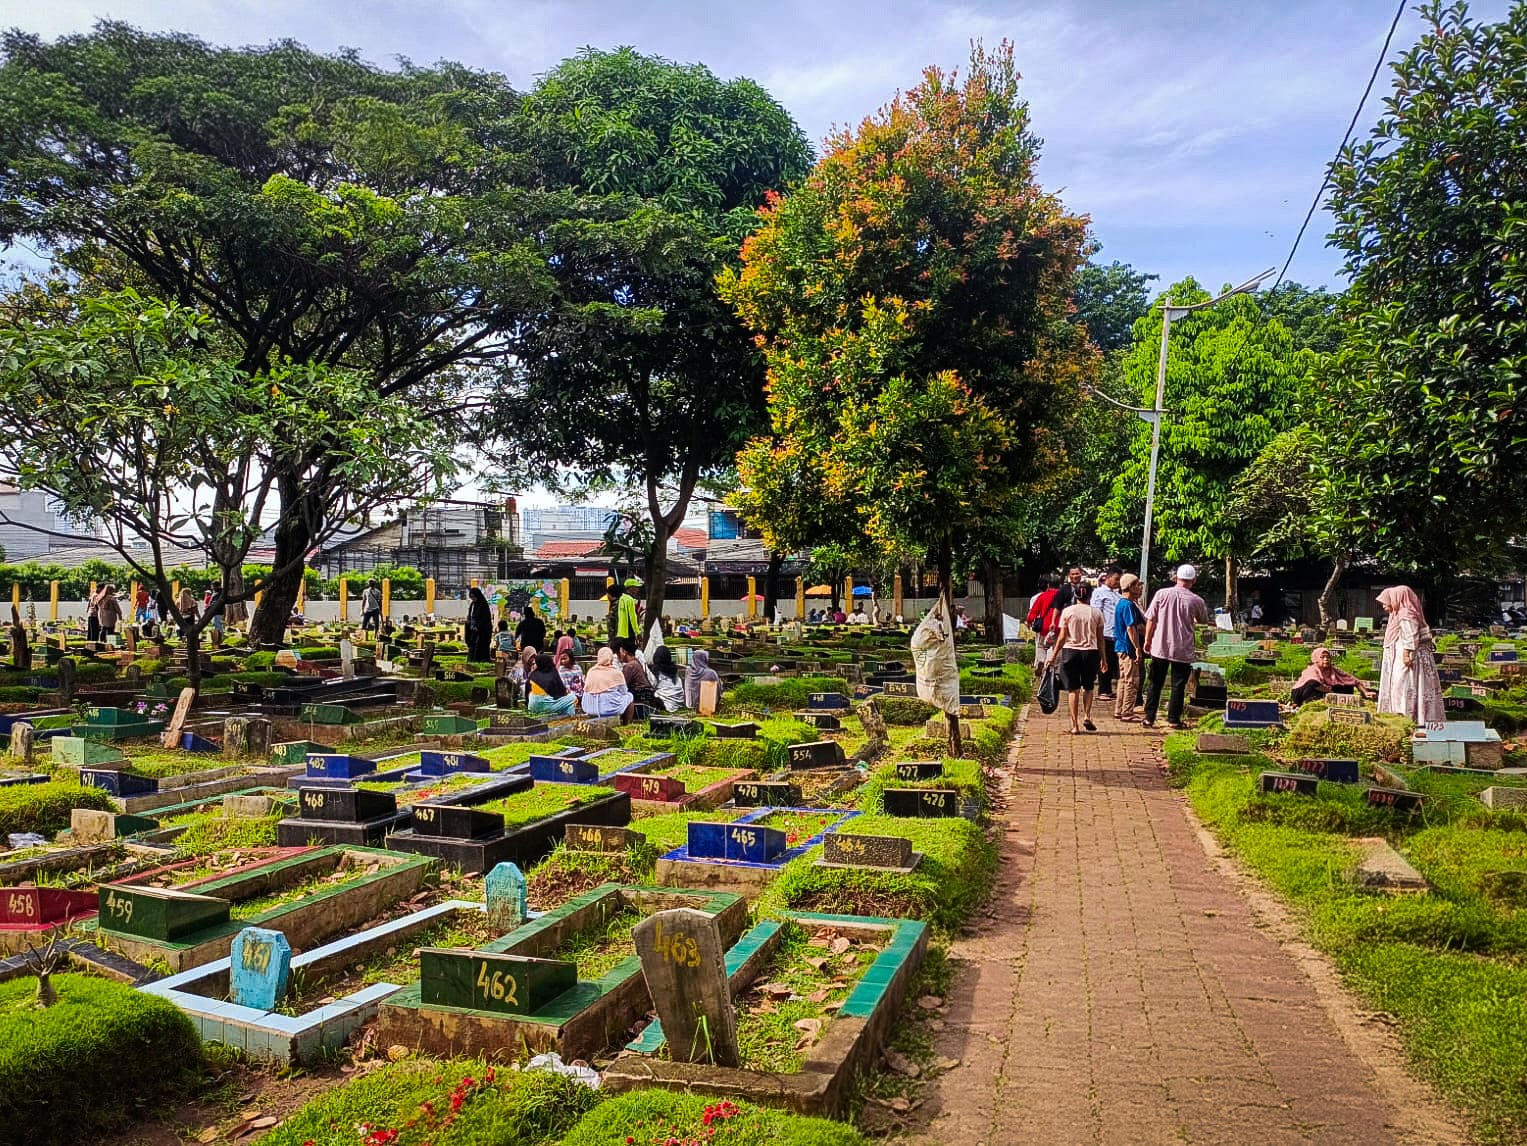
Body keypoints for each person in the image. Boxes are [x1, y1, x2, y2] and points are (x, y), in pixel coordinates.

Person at [1142, 565, 1209, 730]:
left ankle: (1149, 718)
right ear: (1193, 580)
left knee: (1155, 682)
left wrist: (1147, 640)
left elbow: (1151, 619)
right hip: (1182, 648)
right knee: (1178, 685)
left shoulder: (1161, 594)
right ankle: (1173, 719)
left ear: (1175, 578)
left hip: (1160, 645)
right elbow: (1203, 620)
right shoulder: (1197, 600)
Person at [1376, 586, 1444, 723]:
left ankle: (1405, 716)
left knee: (1404, 686)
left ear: (1396, 599)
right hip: (1402, 656)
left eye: (1386, 601)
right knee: (1399, 685)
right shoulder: (1397, 614)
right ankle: (1399, 714)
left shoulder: (1406, 613)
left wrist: (1406, 654)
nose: (1384, 605)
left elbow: (1410, 635)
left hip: (1406, 658)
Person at [1052, 582, 1108, 733]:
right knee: (1088, 687)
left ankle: (1075, 725)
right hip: (1091, 653)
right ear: (1090, 596)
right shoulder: (1096, 613)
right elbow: (1100, 639)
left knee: (1073, 690)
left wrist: (1053, 655)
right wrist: (1104, 659)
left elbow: (1062, 637)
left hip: (1071, 652)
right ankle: (1087, 716)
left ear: (1075, 595)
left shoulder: (1067, 611)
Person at [1291, 647, 1374, 707]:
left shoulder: (1333, 670)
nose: (1326, 659)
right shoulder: (1312, 669)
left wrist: (1366, 692)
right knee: (1312, 684)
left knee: (1347, 686)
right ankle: (1308, 704)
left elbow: (1354, 680)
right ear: (1316, 659)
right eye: (1322, 657)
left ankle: (1342, 702)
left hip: (1326, 690)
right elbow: (1313, 683)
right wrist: (1331, 693)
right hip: (1302, 694)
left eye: (1328, 657)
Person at [1113, 573, 1146, 721]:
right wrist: (1137, 648)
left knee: (1123, 680)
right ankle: (1127, 712)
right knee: (1132, 681)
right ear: (1130, 587)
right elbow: (1131, 628)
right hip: (1128, 648)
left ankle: (1119, 709)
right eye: (1137, 585)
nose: (1139, 588)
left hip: (1120, 647)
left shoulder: (1121, 603)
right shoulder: (1128, 605)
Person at [1092, 568, 1123, 700]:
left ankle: (1109, 689)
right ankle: (1103, 690)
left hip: (1116, 633)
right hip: (1105, 632)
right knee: (1105, 661)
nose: (1118, 582)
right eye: (1116, 579)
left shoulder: (1117, 594)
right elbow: (1096, 611)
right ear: (1108, 577)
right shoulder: (1099, 592)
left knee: (1113, 662)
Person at [581, 647, 634, 721]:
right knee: (629, 696)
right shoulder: (616, 672)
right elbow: (624, 691)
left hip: (588, 708)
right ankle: (626, 724)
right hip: (609, 709)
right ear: (611, 658)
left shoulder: (591, 671)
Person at [616, 639, 659, 711]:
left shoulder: (630, 666)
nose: (619, 655)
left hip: (639, 696)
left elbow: (623, 685)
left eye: (620, 652)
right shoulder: (636, 661)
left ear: (624, 652)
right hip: (646, 695)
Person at [649, 645, 687, 712]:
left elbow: (651, 685)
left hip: (664, 705)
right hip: (679, 703)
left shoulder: (656, 671)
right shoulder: (674, 669)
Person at [465, 586, 493, 663]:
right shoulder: (472, 604)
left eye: (474, 597)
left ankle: (481, 660)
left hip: (482, 630)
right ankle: (472, 660)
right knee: (472, 645)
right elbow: (470, 615)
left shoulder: (483, 605)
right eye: (471, 597)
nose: (473, 599)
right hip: (473, 628)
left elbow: (485, 618)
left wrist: (478, 627)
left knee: (481, 646)